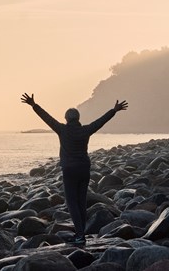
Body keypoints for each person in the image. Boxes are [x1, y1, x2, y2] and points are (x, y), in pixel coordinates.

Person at [21, 93, 128, 246]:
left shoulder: (62, 129)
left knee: (72, 203)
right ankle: (81, 233)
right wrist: (114, 110)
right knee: (81, 202)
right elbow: (100, 122)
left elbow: (47, 118)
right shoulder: (86, 130)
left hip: (70, 171)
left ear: (66, 118)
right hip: (84, 169)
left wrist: (34, 105)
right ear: (78, 119)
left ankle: (79, 235)